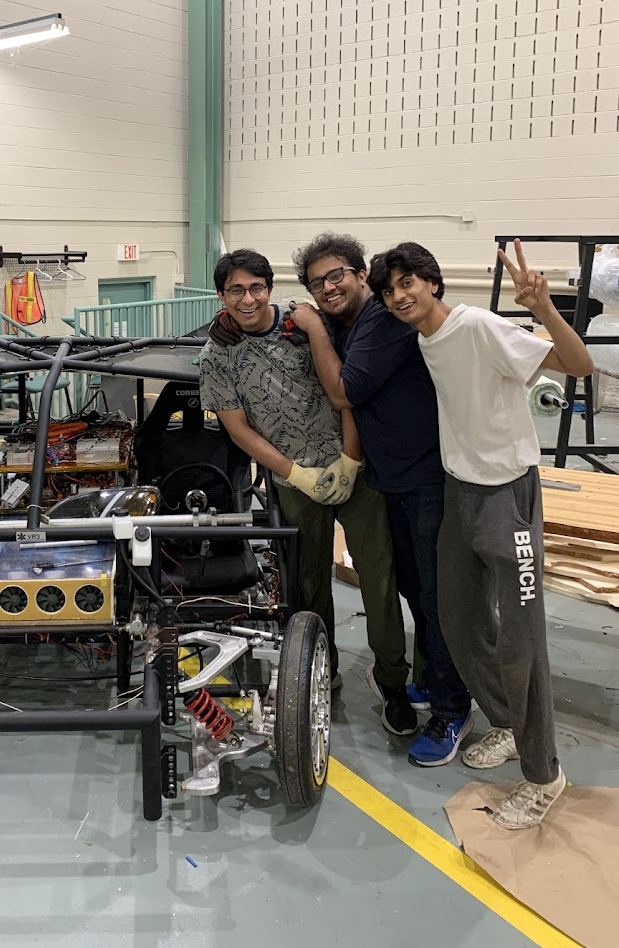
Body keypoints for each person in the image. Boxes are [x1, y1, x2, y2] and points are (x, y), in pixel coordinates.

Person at [367, 238, 594, 829]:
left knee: (522, 641)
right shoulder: (425, 339)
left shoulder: (480, 326)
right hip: (458, 494)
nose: (399, 297)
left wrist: (544, 307)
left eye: (407, 284)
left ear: (432, 282)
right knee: (460, 625)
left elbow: (579, 365)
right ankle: (511, 726)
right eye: (389, 291)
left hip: (507, 497)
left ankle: (544, 773)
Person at [199, 248, 415, 735]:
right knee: (308, 584)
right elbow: (237, 429)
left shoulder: (307, 329)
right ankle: (321, 668)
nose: (247, 298)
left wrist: (350, 459)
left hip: (352, 470)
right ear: (221, 296)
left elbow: (345, 393)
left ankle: (393, 682)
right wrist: (295, 474)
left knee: (379, 578)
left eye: (256, 287)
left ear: (270, 288)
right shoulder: (217, 354)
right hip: (292, 482)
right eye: (235, 290)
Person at [287, 233, 472, 767]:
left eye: (338, 274)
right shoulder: (355, 325)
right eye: (317, 283)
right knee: (414, 589)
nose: (328, 287)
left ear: (359, 274)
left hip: (427, 478)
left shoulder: (381, 323)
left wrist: (315, 328)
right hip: (390, 479)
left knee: (437, 599)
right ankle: (434, 681)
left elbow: (344, 392)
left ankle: (453, 707)